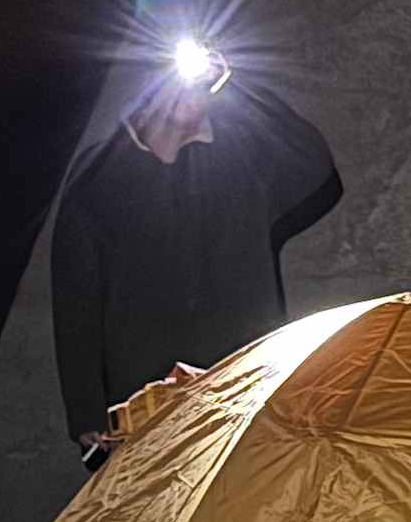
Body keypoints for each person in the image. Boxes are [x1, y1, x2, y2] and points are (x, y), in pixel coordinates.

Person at [50, 31, 337, 470]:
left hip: (241, 389)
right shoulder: (102, 175)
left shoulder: (237, 164)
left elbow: (314, 165)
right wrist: (87, 412)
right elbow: (75, 298)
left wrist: (237, 86)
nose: (189, 91)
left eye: (201, 83)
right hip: (142, 404)